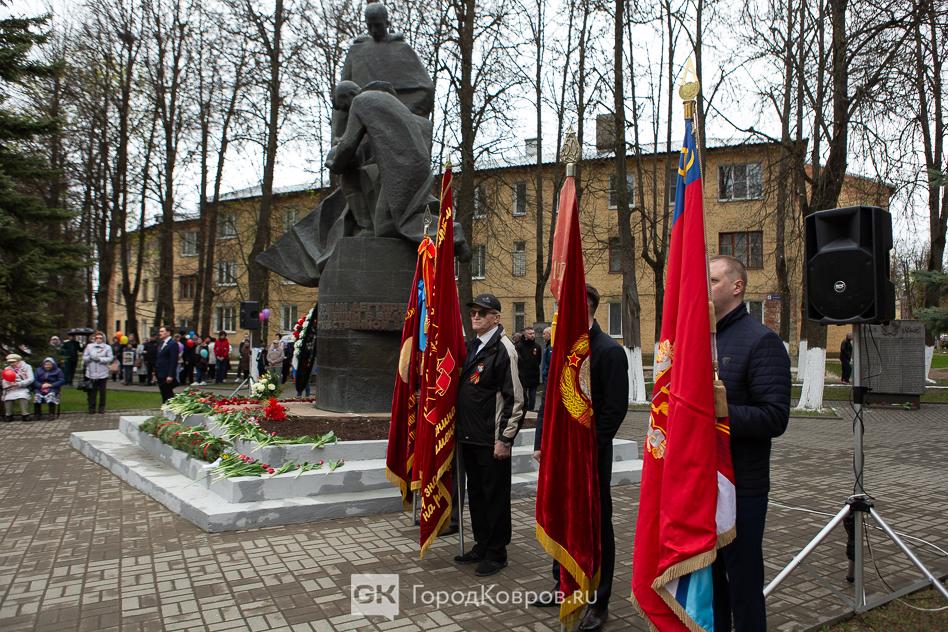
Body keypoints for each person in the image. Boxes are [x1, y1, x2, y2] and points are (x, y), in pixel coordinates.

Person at [530, 285, 629, 632]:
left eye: (563, 304)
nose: (557, 311)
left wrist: (587, 450)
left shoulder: (609, 351)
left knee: (597, 525)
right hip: (559, 457)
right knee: (561, 516)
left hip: (590, 459)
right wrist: (542, 441)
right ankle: (564, 586)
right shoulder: (562, 348)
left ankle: (599, 601)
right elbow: (549, 401)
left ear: (585, 305)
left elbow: (615, 410)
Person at [708, 255, 790, 632]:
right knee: (710, 583)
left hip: (742, 485)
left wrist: (721, 412)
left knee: (742, 584)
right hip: (703, 480)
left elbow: (774, 417)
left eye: (713, 281)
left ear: (737, 286)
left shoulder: (761, 341)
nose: (704, 288)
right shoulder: (702, 339)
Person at [454, 293, 524, 578]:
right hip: (470, 436)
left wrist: (505, 439)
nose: (475, 317)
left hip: (491, 439)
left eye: (482, 313)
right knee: (477, 496)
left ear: (496, 317)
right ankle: (482, 544)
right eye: (473, 312)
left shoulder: (504, 349)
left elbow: (515, 399)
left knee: (494, 498)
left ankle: (497, 553)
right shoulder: (475, 346)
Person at [83, 331, 113, 414]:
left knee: (102, 392)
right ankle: (91, 408)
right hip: (91, 373)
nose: (98, 339)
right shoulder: (89, 346)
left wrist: (100, 359)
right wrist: (90, 358)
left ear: (103, 339)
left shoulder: (107, 347)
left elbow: (110, 358)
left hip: (102, 373)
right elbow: (85, 357)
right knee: (92, 392)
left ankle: (102, 407)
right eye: (97, 338)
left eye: (100, 338)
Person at [515, 327, 542, 412]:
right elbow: (518, 360)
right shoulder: (519, 346)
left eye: (533, 333)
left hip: (534, 375)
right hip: (523, 375)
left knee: (533, 396)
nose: (532, 335)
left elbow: (538, 360)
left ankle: (531, 410)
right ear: (525, 335)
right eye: (530, 333)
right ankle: (524, 410)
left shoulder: (537, 346)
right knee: (523, 396)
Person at [2, 353, 35, 421]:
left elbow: (31, 379)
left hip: (23, 387)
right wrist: (7, 385)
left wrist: (19, 383)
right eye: (10, 362)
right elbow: (4, 379)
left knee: (22, 396)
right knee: (8, 398)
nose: (11, 364)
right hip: (11, 388)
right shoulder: (7, 368)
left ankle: (25, 414)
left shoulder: (27, 367)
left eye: (13, 362)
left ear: (18, 361)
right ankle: (8, 415)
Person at [155, 325, 180, 403]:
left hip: (166, 373)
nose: (160, 333)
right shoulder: (161, 343)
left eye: (162, 331)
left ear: (168, 333)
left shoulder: (173, 344)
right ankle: (166, 407)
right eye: (160, 331)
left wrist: (170, 375)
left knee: (168, 393)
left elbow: (173, 361)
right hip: (160, 373)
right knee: (164, 393)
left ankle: (169, 407)